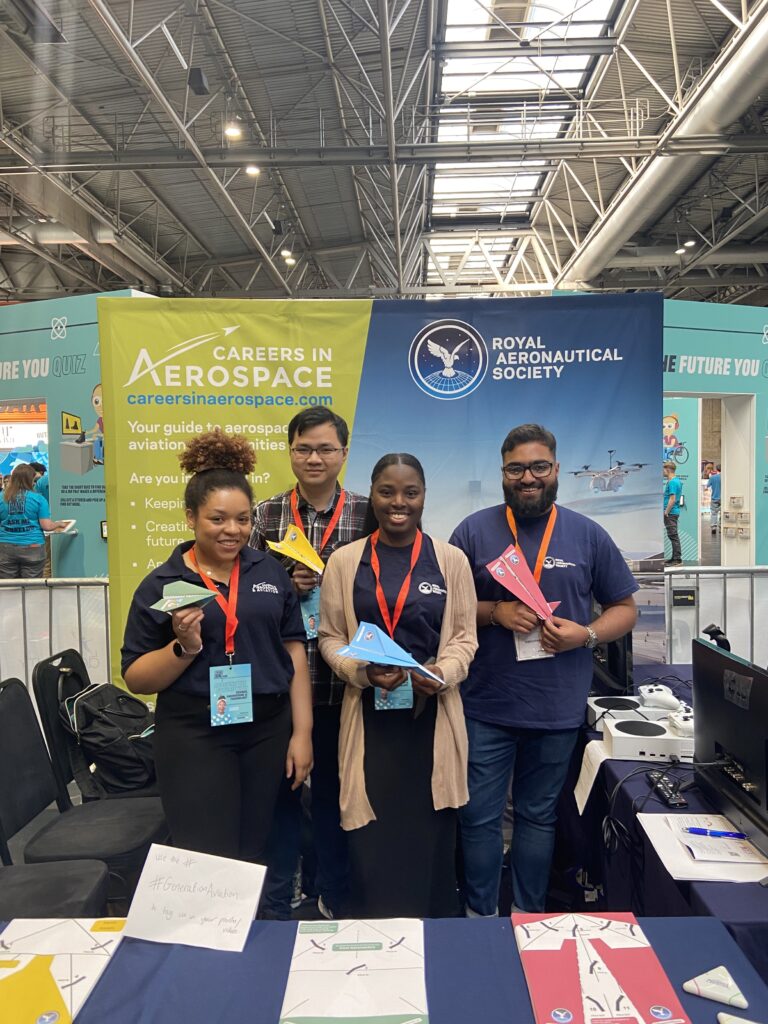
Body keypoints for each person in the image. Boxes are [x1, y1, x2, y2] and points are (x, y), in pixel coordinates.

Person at [449, 423, 637, 915]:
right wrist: (496, 613)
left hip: (555, 707)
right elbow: (446, 609)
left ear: (555, 470)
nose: (527, 477)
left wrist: (587, 634)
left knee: (537, 819)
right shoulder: (473, 531)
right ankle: (480, 916)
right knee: (478, 819)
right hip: (485, 704)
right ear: (503, 474)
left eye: (538, 467)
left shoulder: (587, 534)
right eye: (516, 468)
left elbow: (625, 607)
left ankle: (528, 918)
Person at [121, 429, 313, 862]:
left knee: (254, 849)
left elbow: (295, 652)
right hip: (194, 732)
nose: (233, 530)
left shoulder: (270, 573)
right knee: (206, 853)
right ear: (191, 517)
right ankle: (206, 931)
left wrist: (302, 733)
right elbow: (135, 677)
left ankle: (248, 929)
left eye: (243, 519)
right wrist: (183, 648)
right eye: (218, 519)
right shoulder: (163, 584)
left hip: (266, 729)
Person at [318, 453, 478, 919]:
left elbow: (466, 636)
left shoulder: (450, 560)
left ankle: (435, 943)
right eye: (387, 492)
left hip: (432, 720)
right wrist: (360, 673)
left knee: (429, 841)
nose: (398, 503)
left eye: (411, 492)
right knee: (371, 843)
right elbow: (329, 636)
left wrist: (443, 672)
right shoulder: (346, 562)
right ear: (374, 494)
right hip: (369, 719)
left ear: (424, 495)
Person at [251, 407, 368, 919]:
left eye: (325, 449)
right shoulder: (262, 516)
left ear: (343, 453)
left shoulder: (369, 512)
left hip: (350, 686)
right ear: (291, 451)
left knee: (339, 798)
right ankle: (285, 895)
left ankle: (332, 893)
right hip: (284, 685)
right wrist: (282, 583)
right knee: (285, 795)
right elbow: (242, 591)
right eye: (303, 448)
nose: (314, 458)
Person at [0, 464, 66, 578]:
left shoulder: (2, 497)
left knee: (8, 587)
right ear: (30, 479)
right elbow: (46, 526)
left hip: (5, 547)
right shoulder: (38, 499)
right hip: (33, 546)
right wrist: (59, 524)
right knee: (31, 588)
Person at [663, 460, 683, 566]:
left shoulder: (673, 482)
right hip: (672, 512)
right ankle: (674, 558)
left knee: (673, 535)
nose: (662, 472)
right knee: (672, 535)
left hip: (670, 513)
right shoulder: (675, 481)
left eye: (663, 470)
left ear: (668, 469)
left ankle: (677, 559)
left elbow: (672, 498)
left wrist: (666, 511)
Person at [706, 464, 721, 534]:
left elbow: (707, 486)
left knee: (714, 513)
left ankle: (714, 527)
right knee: (722, 513)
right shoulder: (725, 477)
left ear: (716, 469)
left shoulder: (712, 477)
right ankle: (721, 527)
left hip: (714, 497)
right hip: (722, 498)